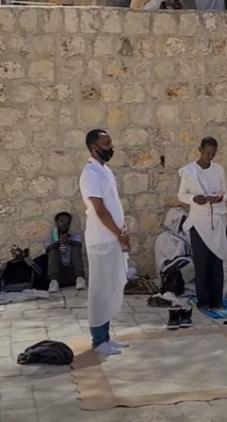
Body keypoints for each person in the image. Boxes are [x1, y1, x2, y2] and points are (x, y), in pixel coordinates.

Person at [79, 129, 129, 356]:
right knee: (100, 290)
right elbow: (99, 210)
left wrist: (122, 232)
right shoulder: (90, 173)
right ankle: (98, 340)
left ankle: (106, 336)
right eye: (107, 143)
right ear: (94, 148)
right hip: (101, 239)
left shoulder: (105, 171)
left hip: (113, 238)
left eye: (111, 142)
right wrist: (118, 233)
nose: (111, 147)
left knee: (110, 288)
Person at [177, 137, 227, 310]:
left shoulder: (219, 170)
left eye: (213, 154)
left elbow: (226, 192)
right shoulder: (189, 171)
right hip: (198, 222)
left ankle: (217, 300)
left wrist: (220, 197)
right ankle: (203, 300)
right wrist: (194, 199)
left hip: (217, 219)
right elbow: (181, 195)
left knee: (217, 261)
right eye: (207, 153)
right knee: (202, 262)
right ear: (200, 150)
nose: (210, 156)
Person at [45, 212, 86, 293]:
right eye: (61, 221)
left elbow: (79, 245)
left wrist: (69, 241)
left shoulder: (74, 236)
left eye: (67, 222)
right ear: (56, 223)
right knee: (53, 250)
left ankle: (80, 279)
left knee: (75, 247)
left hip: (72, 273)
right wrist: (59, 243)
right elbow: (47, 250)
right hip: (58, 274)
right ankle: (53, 282)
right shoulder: (51, 237)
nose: (64, 224)